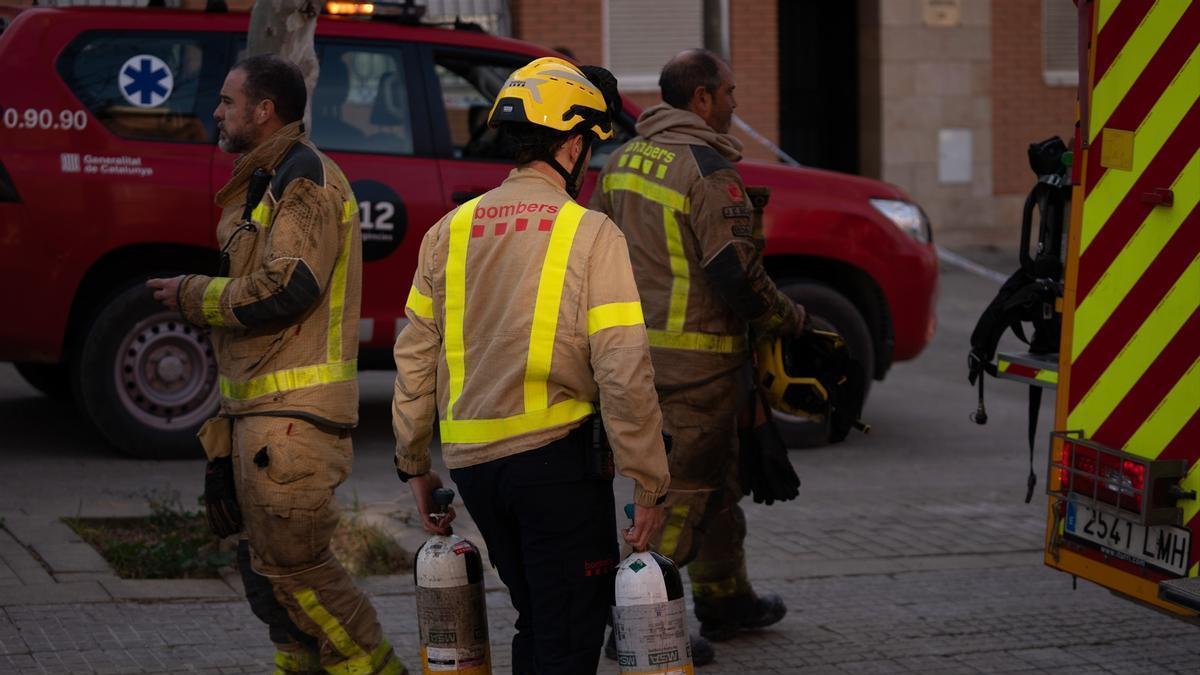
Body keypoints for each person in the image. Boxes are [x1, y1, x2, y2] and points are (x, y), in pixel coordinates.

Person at [391, 57, 670, 674]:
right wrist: (649, 482)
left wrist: (414, 465)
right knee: (568, 635)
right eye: (588, 149)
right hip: (555, 466)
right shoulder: (590, 233)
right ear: (571, 145)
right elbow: (623, 370)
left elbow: (414, 357)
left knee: (539, 622)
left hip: (474, 469)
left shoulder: (448, 231)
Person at [147, 55, 403, 675]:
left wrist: (196, 296)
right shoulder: (265, 179)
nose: (217, 111)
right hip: (255, 416)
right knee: (266, 581)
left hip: (292, 422)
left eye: (229, 102)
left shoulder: (303, 180)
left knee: (297, 570)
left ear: (264, 112)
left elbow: (290, 287)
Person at [590, 48, 806, 651]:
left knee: (719, 484)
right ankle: (633, 618)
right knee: (682, 497)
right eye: (730, 93)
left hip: (634, 361)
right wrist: (793, 321)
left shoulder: (622, 160)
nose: (737, 105)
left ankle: (726, 599)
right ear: (702, 98)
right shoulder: (708, 170)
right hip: (697, 366)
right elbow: (735, 274)